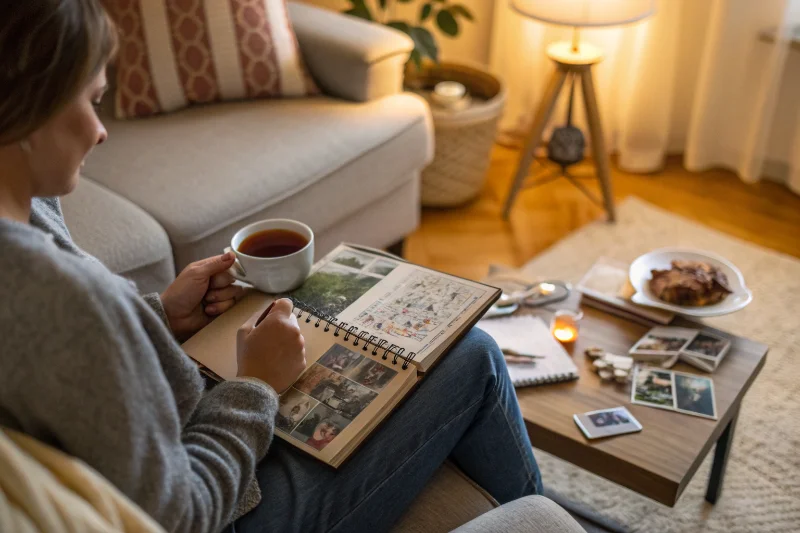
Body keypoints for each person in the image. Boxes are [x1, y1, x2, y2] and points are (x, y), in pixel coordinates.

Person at [0, 2, 543, 533]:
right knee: (475, 357)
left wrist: (159, 314)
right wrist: (256, 384)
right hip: (234, 507)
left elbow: (71, 363)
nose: (101, 130)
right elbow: (181, 515)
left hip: (185, 433)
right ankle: (542, 522)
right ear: (29, 110)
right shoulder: (57, 298)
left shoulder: (28, 212)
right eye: (92, 101)